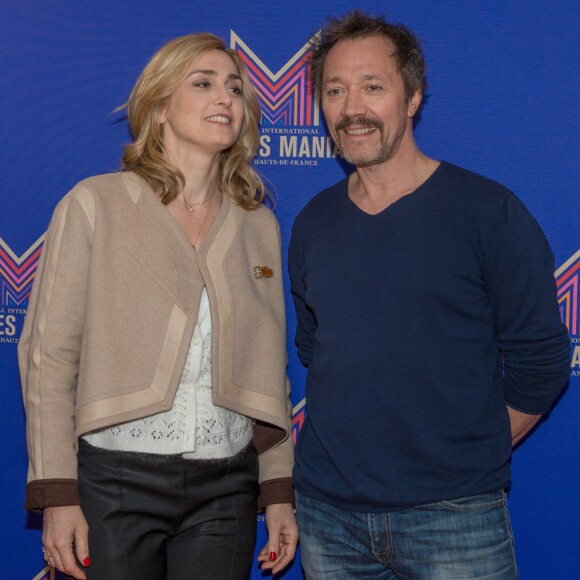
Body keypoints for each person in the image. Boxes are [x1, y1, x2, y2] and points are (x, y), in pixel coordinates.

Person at [288, 10, 570, 579]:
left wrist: (472, 453)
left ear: (413, 97)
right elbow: (317, 349)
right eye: (335, 90)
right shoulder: (313, 221)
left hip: (455, 518)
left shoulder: (488, 213)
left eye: (373, 87)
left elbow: (542, 364)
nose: (352, 108)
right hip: (327, 515)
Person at [19, 32, 297, 579]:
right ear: (160, 106)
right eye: (203, 83)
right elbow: (49, 357)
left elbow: (269, 368)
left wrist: (278, 489)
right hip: (114, 482)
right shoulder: (93, 204)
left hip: (227, 488)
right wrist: (58, 495)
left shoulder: (257, 224)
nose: (225, 98)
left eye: (235, 88)